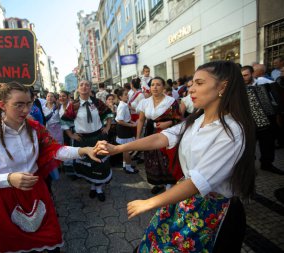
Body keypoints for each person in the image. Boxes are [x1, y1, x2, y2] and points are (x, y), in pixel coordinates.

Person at [94, 61, 256, 252]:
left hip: (212, 211)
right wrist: (117, 149)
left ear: (223, 86)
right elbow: (161, 138)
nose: (191, 90)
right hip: (184, 200)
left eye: (200, 83)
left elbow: (198, 182)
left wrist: (150, 202)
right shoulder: (197, 119)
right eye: (191, 84)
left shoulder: (232, 131)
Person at [0, 81, 98, 252]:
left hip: (36, 192)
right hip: (6, 199)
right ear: (2, 105)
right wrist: (10, 178)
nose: (26, 110)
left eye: (28, 104)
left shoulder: (35, 128)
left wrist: (83, 150)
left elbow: (55, 150)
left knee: (48, 243)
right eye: (18, 105)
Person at [61, 80, 113, 202]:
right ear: (78, 89)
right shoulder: (73, 105)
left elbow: (108, 114)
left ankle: (99, 188)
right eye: (81, 85)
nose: (84, 87)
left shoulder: (97, 102)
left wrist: (107, 127)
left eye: (87, 85)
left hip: (97, 137)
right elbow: (65, 121)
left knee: (99, 163)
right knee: (88, 164)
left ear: (90, 89)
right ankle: (92, 186)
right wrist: (72, 135)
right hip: (82, 140)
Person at [136, 77, 182, 194]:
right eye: (152, 85)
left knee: (167, 159)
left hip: (167, 134)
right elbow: (141, 120)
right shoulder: (145, 102)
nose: (155, 87)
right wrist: (138, 137)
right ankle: (159, 183)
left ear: (163, 87)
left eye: (158, 85)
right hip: (150, 133)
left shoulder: (171, 101)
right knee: (153, 158)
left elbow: (179, 119)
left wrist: (168, 122)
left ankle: (170, 184)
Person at [241, 65, 283, 175]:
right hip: (250, 122)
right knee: (249, 146)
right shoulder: (239, 88)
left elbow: (276, 94)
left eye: (246, 75)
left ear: (252, 74)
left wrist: (277, 109)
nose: (244, 78)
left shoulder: (263, 81)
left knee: (268, 144)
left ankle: (267, 164)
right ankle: (249, 168)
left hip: (268, 118)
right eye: (242, 76)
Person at [115, 88, 138, 174]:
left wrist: (132, 122)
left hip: (124, 127)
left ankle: (126, 165)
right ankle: (128, 167)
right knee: (127, 149)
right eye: (125, 94)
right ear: (120, 97)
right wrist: (132, 125)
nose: (127, 96)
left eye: (127, 94)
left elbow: (126, 118)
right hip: (123, 129)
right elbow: (120, 120)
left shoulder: (124, 104)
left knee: (125, 149)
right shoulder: (122, 106)